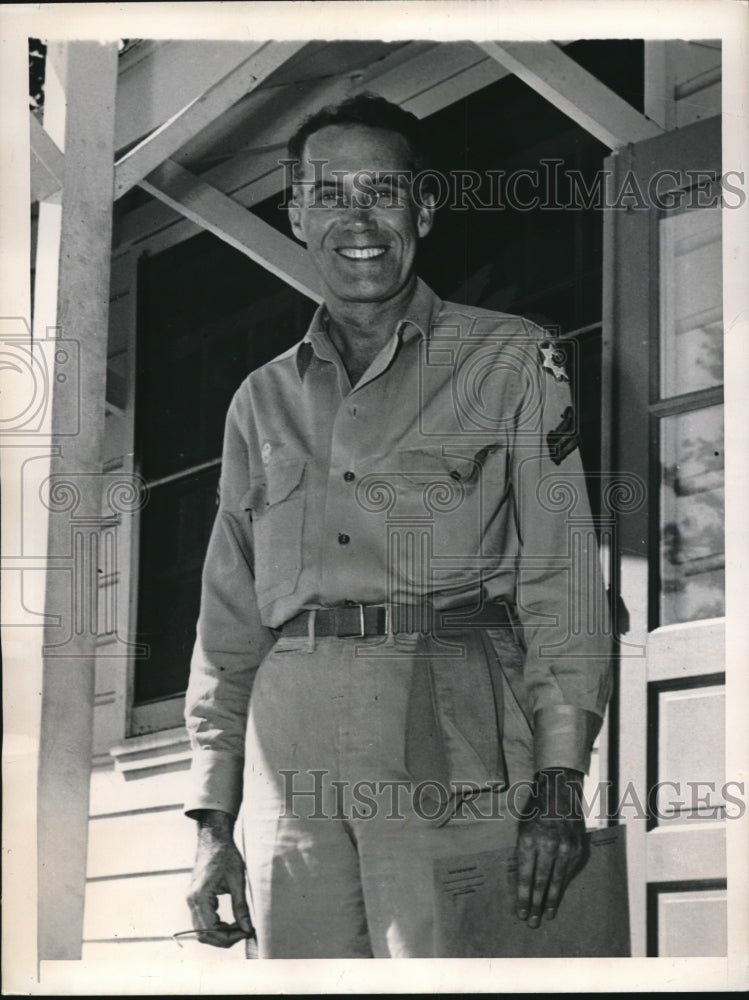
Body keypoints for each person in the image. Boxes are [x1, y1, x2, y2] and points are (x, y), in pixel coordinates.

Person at [183, 94, 612, 958]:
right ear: (295, 211)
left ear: (423, 207)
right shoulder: (259, 399)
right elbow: (226, 624)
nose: (358, 218)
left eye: (382, 191)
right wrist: (211, 819)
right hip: (288, 754)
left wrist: (560, 781)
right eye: (330, 192)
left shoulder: (510, 359)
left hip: (450, 740)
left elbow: (561, 578)